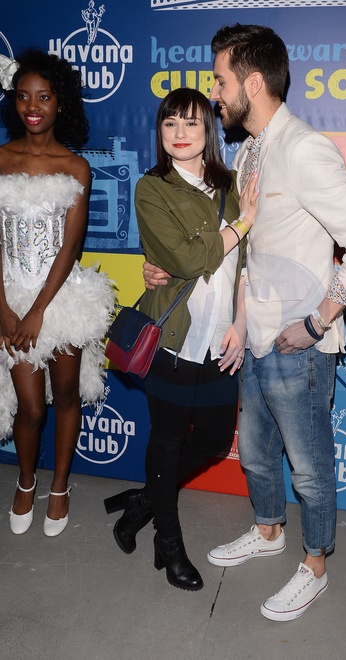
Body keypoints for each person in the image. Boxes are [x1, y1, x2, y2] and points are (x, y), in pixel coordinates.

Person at [143, 24, 346, 620]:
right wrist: (173, 273)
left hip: (298, 343)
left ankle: (316, 564)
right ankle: (269, 529)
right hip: (253, 336)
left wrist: (319, 320)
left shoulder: (303, 148)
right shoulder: (250, 151)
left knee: (310, 466)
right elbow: (239, 248)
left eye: (220, 81)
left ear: (252, 82)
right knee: (254, 454)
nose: (214, 94)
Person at [104, 87, 258, 591]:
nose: (180, 133)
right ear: (160, 132)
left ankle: (143, 503)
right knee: (168, 442)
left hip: (222, 340)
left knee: (212, 440)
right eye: (170, 123)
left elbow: (245, 265)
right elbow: (189, 260)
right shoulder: (153, 188)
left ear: (208, 130)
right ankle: (168, 543)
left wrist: (241, 322)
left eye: (192, 122)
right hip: (172, 340)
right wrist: (243, 223)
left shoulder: (230, 184)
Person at [0, 49, 114, 537]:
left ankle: (61, 485)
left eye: (43, 97)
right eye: (24, 96)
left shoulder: (76, 167)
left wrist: (38, 311)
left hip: (62, 298)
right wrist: (5, 308)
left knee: (65, 395)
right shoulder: (0, 160)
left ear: (60, 103)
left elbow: (70, 247)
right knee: (31, 406)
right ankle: (26, 481)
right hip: (9, 299)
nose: (33, 106)